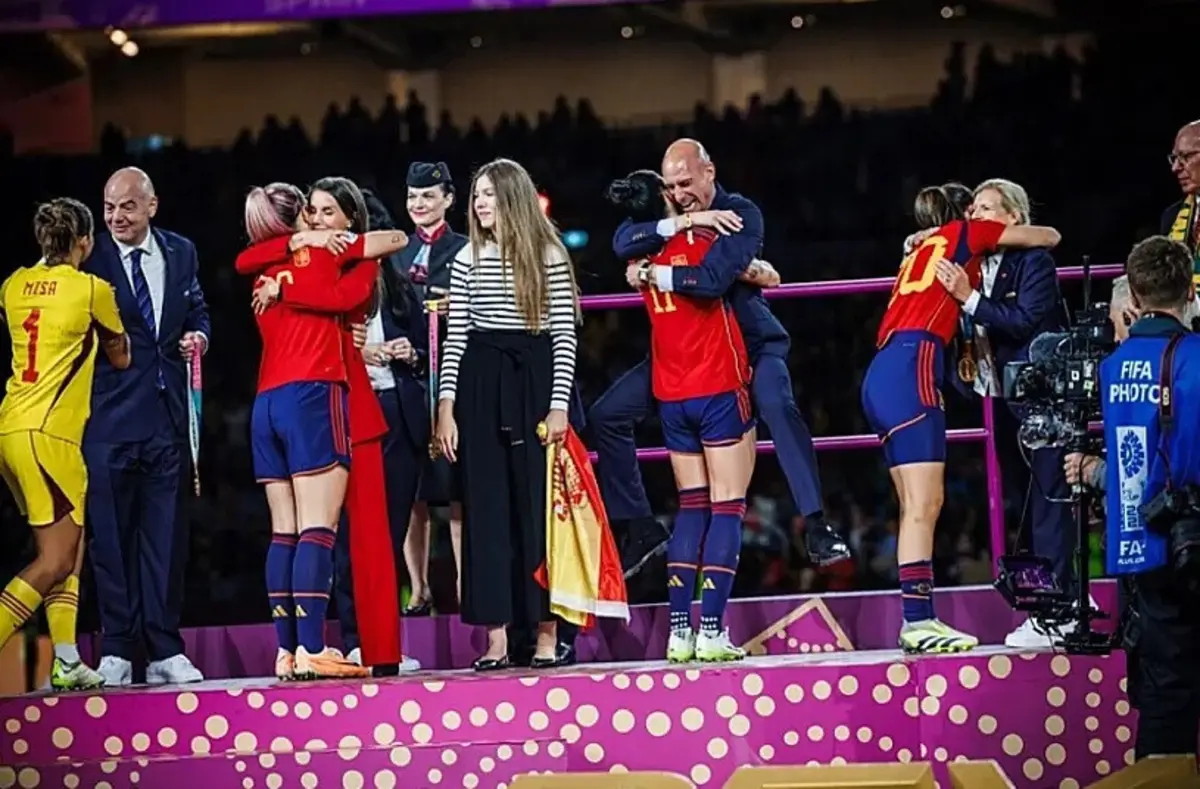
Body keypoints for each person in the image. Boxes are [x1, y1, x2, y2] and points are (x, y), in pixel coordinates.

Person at [600, 139, 849, 580]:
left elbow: (712, 279)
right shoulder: (671, 216)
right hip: (683, 355)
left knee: (776, 403)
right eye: (672, 187)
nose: (679, 194)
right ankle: (640, 527)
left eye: (687, 183)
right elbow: (621, 240)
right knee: (606, 416)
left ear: (709, 173)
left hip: (750, 343)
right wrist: (688, 222)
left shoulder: (741, 213)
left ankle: (815, 524)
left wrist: (653, 272)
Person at [860, 184, 1061, 654]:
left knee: (913, 504)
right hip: (914, 367)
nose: (978, 213)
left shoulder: (926, 246)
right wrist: (982, 230)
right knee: (925, 505)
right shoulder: (967, 234)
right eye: (973, 209)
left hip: (882, 369)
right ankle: (918, 619)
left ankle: (918, 619)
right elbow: (1049, 237)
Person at [238, 179, 410, 675]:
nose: (317, 221)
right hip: (320, 398)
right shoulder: (315, 257)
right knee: (317, 529)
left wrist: (287, 280)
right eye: (310, 212)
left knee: (292, 531)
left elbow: (347, 292)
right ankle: (312, 647)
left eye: (327, 212)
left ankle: (298, 651)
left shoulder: (271, 268)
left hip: (277, 403)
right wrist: (304, 253)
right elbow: (337, 296)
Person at [434, 158, 580, 670]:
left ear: (513, 198)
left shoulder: (548, 254)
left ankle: (546, 633)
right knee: (487, 510)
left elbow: (564, 335)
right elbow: (458, 337)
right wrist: (446, 406)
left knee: (537, 511)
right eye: (476, 195)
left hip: (534, 381)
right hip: (481, 381)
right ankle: (495, 638)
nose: (480, 203)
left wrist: (559, 406)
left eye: (490, 195)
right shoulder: (466, 257)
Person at [608, 170, 757, 662]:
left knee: (692, 505)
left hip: (672, 396)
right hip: (717, 386)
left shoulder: (642, 253)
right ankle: (712, 629)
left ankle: (678, 631)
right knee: (728, 507)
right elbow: (723, 277)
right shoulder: (706, 239)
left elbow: (624, 240)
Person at [936, 179, 1075, 649]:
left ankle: (1060, 609)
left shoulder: (1033, 262)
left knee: (1049, 498)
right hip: (998, 398)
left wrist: (969, 300)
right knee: (1022, 502)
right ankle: (1051, 603)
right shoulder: (971, 263)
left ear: (1013, 218)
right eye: (972, 209)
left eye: (988, 209)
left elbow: (1026, 323)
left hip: (1042, 396)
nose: (976, 216)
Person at [0, 198, 129, 691]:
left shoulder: (12, 285)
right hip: (50, 436)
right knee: (54, 560)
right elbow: (120, 357)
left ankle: (68, 659)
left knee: (67, 550)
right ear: (85, 243)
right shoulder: (91, 288)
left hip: (12, 428)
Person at [87, 167, 209, 687]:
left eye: (128, 207)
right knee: (111, 540)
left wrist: (199, 338)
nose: (117, 217)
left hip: (167, 419)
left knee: (165, 538)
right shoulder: (88, 256)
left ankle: (163, 648)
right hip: (107, 419)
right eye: (110, 207)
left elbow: (197, 311)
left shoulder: (181, 252)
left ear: (152, 206)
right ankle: (116, 647)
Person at [1095, 236, 1200, 758]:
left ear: (1134, 296)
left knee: (1162, 698)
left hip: (1140, 551)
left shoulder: (1113, 367)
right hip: (1191, 542)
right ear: (1190, 292)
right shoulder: (1195, 358)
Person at [395, 162, 469, 616]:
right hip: (406, 384)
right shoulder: (395, 255)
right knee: (413, 493)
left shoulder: (466, 251)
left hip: (452, 385)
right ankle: (418, 589)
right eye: (412, 197)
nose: (418, 205)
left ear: (447, 199)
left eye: (427, 196)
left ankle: (466, 585)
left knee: (458, 489)